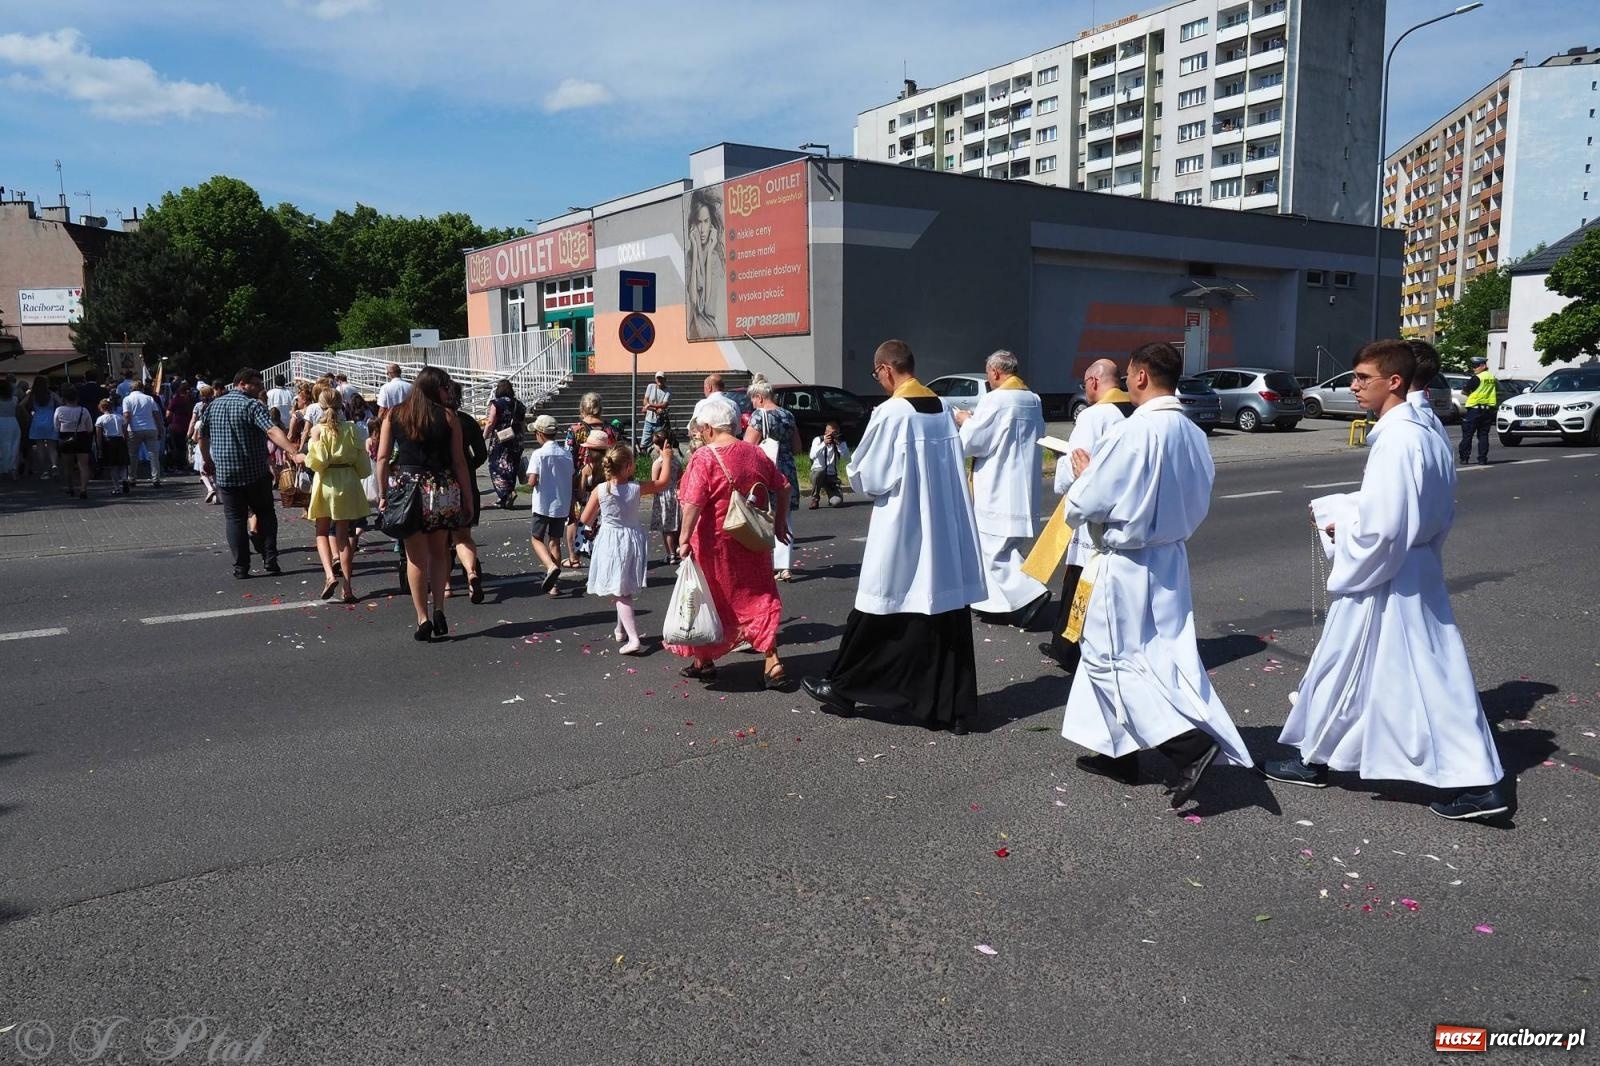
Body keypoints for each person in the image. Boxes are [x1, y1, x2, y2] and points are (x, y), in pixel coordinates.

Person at [1265, 340, 1507, 821]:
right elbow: (1420, 505)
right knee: (1353, 666)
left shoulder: (1399, 438)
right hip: (1409, 565)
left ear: (1393, 382)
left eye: (1361, 378)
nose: (1353, 387)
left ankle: (1476, 783)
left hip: (1390, 569)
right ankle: (1314, 755)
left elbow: (1386, 525)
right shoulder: (1427, 427)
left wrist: (1344, 527)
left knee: (1428, 678)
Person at [1057, 342, 1251, 807]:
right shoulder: (1191, 431)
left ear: (1142, 376)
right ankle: (1115, 751)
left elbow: (1087, 502)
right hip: (1168, 559)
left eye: (1127, 375)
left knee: (1109, 659)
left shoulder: (1135, 431)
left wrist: (1083, 473)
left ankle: (1188, 747)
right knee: (1153, 655)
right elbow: (1199, 496)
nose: (1125, 383)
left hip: (1126, 560)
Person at [801, 340, 986, 731]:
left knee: (879, 604)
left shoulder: (893, 412)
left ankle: (843, 688)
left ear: (886, 369)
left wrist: (854, 474)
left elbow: (869, 476)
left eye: (876, 374)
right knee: (940, 611)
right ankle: (951, 707)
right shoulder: (941, 407)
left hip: (904, 526)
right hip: (941, 530)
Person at [667, 395, 792, 690]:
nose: (699, 433)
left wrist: (684, 539)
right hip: (750, 540)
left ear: (709, 428)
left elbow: (693, 503)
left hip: (715, 545)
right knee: (758, 595)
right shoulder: (756, 453)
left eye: (700, 429)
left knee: (710, 600)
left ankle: (706, 661)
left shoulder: (705, 457)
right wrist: (780, 522)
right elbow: (784, 486)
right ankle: (771, 659)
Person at [1040, 358, 1133, 669]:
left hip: (1094, 512)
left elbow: (1074, 468)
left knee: (1081, 581)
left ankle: (1069, 648)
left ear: (1093, 382)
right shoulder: (1134, 412)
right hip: (1125, 513)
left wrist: (1060, 463)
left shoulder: (1094, 416)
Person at [374, 366, 474, 642]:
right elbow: (459, 461)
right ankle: (440, 607)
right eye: (445, 386)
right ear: (434, 388)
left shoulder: (395, 414)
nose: (448, 391)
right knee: (439, 551)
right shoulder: (448, 417)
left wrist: (382, 493)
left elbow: (382, 458)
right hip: (441, 488)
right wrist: (467, 497)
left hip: (408, 489)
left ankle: (422, 618)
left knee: (415, 557)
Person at [955, 350, 1050, 627]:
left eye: (988, 373)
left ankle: (1031, 592)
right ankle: (998, 605)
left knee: (993, 550)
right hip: (1023, 483)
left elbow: (975, 441)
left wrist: (964, 420)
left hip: (997, 484)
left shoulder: (995, 399)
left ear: (995, 372)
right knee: (1006, 547)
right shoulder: (1033, 399)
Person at [198, 368, 304, 579]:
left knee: (234, 519)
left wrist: (207, 460)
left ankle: (241, 567)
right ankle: (270, 560)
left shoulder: (213, 405)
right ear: (243, 384)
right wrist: (293, 451)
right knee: (265, 513)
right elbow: (271, 430)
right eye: (256, 384)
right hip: (254, 471)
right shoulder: (252, 405)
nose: (260, 388)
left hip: (226, 473)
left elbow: (202, 436)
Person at [581, 443, 671, 655]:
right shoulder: (636, 488)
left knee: (622, 592)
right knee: (621, 585)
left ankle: (632, 639)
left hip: (610, 540)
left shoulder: (600, 490)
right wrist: (666, 457)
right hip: (631, 539)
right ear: (629, 466)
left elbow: (585, 518)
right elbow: (663, 482)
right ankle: (621, 629)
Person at [305, 387, 372, 604]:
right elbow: (362, 460)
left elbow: (317, 461)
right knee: (345, 536)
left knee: (322, 531)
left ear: (320, 404)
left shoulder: (317, 430)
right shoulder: (351, 428)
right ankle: (348, 587)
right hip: (348, 479)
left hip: (326, 480)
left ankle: (329, 575)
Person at [744, 377, 803, 582]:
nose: (752, 403)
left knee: (763, 516)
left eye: (752, 398)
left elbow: (748, 447)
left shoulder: (758, 416)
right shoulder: (788, 415)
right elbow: (797, 447)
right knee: (785, 516)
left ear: (759, 397)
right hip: (787, 468)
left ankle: (765, 564)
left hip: (767, 470)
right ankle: (784, 566)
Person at [446, 381, 488, 604]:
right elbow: (481, 452)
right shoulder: (467, 421)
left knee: (442, 540)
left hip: (443, 482)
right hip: (467, 483)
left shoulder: (436, 421)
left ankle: (446, 586)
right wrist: (469, 466)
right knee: (464, 536)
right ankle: (471, 572)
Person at [526, 414, 575, 596]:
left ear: (540, 434)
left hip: (543, 504)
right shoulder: (566, 454)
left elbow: (532, 481)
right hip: (561, 503)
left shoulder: (538, 454)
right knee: (555, 540)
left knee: (536, 538)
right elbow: (571, 478)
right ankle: (554, 585)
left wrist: (525, 477)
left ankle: (550, 566)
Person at [564, 394, 615, 565]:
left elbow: (568, 456)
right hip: (605, 477)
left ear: (582, 408)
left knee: (574, 517)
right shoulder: (608, 429)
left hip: (581, 477)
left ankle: (574, 556)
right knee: (601, 516)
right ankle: (599, 550)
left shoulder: (575, 430)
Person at [686, 188, 727, 340]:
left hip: (709, 334)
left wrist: (709, 252)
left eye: (706, 221)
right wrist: (696, 251)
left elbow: (706, 304)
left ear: (711, 224)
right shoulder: (690, 256)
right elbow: (694, 299)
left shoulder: (715, 258)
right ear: (693, 225)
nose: (702, 229)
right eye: (698, 222)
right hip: (693, 333)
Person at [484, 379, 526, 509]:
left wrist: (484, 436)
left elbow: (491, 422)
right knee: (512, 466)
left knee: (496, 467)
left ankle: (504, 495)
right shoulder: (518, 404)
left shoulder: (496, 404)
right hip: (516, 440)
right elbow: (522, 423)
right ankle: (508, 494)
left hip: (501, 440)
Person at [1404, 340, 1454, 451]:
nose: (1356, 386)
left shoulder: (1403, 425)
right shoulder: (1432, 421)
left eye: (1365, 377)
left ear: (1395, 379)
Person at [648, 427, 681, 563]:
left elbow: (654, 483)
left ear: (658, 446)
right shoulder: (676, 461)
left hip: (663, 496)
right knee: (676, 524)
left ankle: (670, 553)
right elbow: (680, 477)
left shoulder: (658, 463)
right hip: (675, 494)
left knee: (666, 527)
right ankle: (678, 549)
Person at [53, 390, 95, 499]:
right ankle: (83, 489)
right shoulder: (83, 410)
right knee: (84, 466)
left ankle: (70, 487)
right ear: (77, 398)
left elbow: (56, 427)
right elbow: (90, 428)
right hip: (81, 437)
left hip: (65, 437)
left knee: (67, 466)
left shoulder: (59, 410)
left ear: (64, 399)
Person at [122, 380, 164, 486]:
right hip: (150, 427)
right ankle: (156, 478)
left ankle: (132, 478)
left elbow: (127, 416)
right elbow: (156, 414)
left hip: (134, 429)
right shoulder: (149, 398)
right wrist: (160, 428)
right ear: (142, 388)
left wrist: (124, 430)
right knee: (153, 455)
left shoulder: (127, 399)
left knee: (132, 455)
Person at [1458, 354, 1497, 466]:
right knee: (1483, 435)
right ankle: (1482, 459)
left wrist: (1471, 394)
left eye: (1476, 366)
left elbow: (1464, 391)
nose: (1474, 368)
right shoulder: (1491, 377)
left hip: (1475, 410)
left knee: (1467, 435)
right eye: (1473, 366)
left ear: (1484, 365)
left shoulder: (1477, 378)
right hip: (1487, 410)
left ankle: (1464, 458)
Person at [807, 423, 850, 508]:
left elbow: (847, 458)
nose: (834, 436)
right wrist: (824, 444)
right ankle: (814, 499)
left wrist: (839, 445)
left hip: (831, 477)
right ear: (826, 432)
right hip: (817, 475)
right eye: (832, 433)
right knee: (820, 471)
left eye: (836, 433)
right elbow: (812, 456)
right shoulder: (818, 440)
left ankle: (832, 496)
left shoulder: (841, 442)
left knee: (837, 503)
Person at [24, 376, 59, 480]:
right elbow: (61, 402)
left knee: (40, 447)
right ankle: (54, 464)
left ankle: (44, 470)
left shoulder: (32, 395)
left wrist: (28, 415)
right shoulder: (51, 394)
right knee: (52, 446)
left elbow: (21, 405)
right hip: (51, 420)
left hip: (37, 419)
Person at [94, 399, 129, 493]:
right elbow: (125, 431)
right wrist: (126, 441)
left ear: (102, 408)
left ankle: (117, 488)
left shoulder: (100, 419)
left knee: (113, 466)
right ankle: (125, 479)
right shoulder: (120, 417)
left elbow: (98, 436)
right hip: (120, 440)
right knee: (122, 464)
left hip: (109, 442)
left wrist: (99, 448)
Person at [640, 371, 671, 447]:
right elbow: (645, 400)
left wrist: (649, 405)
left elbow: (664, 404)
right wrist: (655, 409)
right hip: (649, 419)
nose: (659, 380)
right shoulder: (650, 386)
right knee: (644, 443)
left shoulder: (667, 390)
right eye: (658, 378)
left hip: (660, 421)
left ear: (665, 379)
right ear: (655, 379)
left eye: (661, 378)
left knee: (660, 442)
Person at [0, 378, 20, 479]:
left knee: (2, 447)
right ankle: (13, 469)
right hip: (13, 422)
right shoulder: (14, 399)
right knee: (14, 446)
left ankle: (2, 468)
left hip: (1, 422)